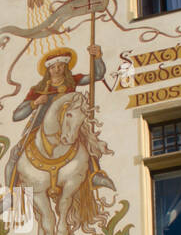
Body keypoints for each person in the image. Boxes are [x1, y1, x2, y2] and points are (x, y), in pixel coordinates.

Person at [8, 47, 114, 190]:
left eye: (60, 66)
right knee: (16, 152)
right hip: (40, 125)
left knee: (87, 141)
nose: (57, 69)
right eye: (53, 67)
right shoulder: (38, 89)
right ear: (48, 70)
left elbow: (97, 75)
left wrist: (97, 57)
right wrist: (35, 103)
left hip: (69, 123)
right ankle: (10, 191)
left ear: (65, 67)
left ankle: (94, 174)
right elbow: (16, 116)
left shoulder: (72, 81)